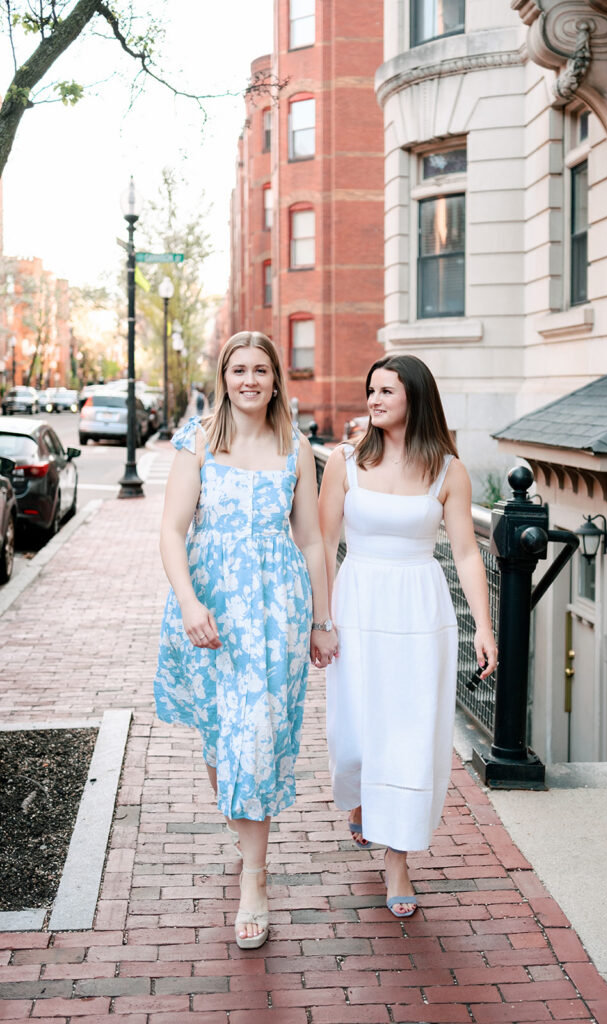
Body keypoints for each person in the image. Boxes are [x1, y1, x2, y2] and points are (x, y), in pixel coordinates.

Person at [154, 331, 338, 950]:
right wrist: (188, 603)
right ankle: (245, 832)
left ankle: (253, 882)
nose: (249, 380)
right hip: (211, 611)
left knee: (254, 734)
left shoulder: (297, 448)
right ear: (225, 376)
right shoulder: (200, 441)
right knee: (220, 737)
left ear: (276, 377)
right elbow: (173, 531)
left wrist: (321, 618)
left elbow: (311, 540)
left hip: (277, 613)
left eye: (261, 369)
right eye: (239, 370)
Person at [319, 354, 497, 918]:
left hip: (421, 608)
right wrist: (321, 619)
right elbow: (323, 545)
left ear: (415, 398)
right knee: (353, 736)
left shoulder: (449, 470)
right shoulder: (342, 461)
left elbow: (467, 552)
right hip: (357, 602)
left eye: (387, 391)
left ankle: (398, 862)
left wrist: (485, 630)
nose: (373, 399)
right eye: (370, 389)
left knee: (409, 736)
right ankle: (361, 802)